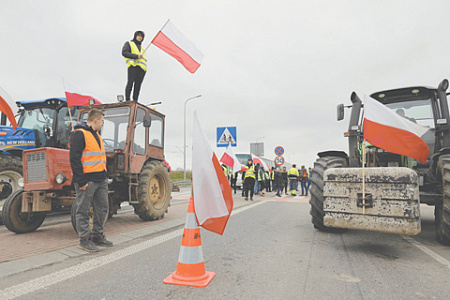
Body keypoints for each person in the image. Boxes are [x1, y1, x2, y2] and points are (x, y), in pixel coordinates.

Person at [70, 109, 112, 252]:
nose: (102, 124)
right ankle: (84, 240)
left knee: (102, 208)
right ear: (96, 120)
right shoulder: (79, 134)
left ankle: (97, 235)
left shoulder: (97, 136)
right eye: (102, 121)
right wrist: (81, 181)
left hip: (100, 179)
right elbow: (74, 159)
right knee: (82, 210)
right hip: (87, 181)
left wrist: (105, 175)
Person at [122, 30, 147, 102]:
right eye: (138, 35)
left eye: (141, 36)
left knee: (138, 85)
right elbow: (124, 52)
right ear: (135, 36)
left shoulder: (142, 48)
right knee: (130, 82)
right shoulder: (129, 43)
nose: (140, 37)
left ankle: (135, 100)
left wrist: (145, 69)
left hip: (142, 69)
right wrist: (136, 56)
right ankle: (127, 99)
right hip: (133, 66)